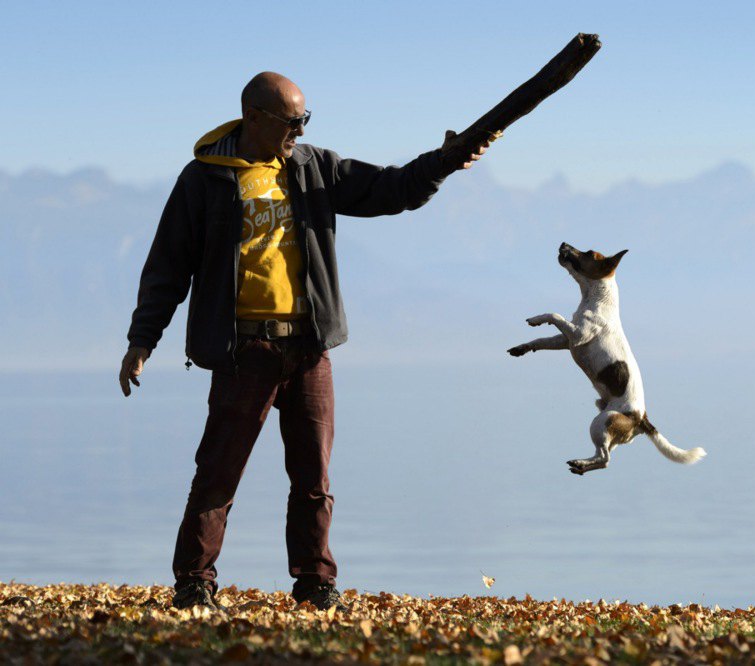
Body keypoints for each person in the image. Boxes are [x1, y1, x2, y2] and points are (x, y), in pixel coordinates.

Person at [119, 72, 488, 611]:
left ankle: (315, 584)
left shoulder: (316, 168)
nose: (299, 129)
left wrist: (447, 159)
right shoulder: (204, 179)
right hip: (244, 351)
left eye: (304, 120)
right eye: (291, 120)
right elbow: (168, 267)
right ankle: (194, 583)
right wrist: (141, 341)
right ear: (253, 117)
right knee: (218, 473)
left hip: (309, 348)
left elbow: (392, 188)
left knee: (313, 477)